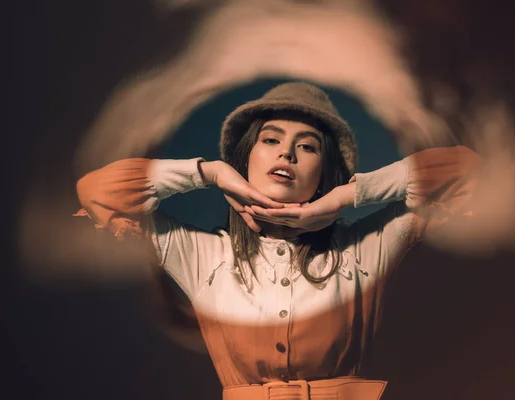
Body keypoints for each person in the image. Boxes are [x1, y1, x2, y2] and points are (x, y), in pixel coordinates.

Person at [74, 82, 479, 400]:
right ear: (247, 158)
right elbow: (97, 191)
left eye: (307, 146)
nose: (286, 152)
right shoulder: (203, 257)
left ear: (325, 172)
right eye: (270, 140)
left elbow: (467, 170)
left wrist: (347, 196)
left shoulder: (363, 249)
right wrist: (209, 173)